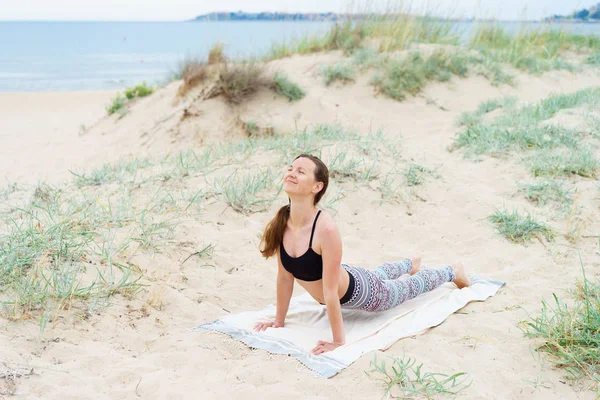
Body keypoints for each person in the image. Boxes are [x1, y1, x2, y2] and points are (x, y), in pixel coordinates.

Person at [254, 154, 471, 355]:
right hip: (347, 276)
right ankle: (409, 264)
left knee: (407, 288)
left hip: (365, 293)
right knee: (375, 274)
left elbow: (330, 292)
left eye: (301, 172)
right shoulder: (283, 222)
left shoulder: (325, 229)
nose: (291, 173)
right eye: (291, 168)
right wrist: (278, 321)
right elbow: (284, 277)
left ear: (317, 186)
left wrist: (338, 342)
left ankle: (452, 271)